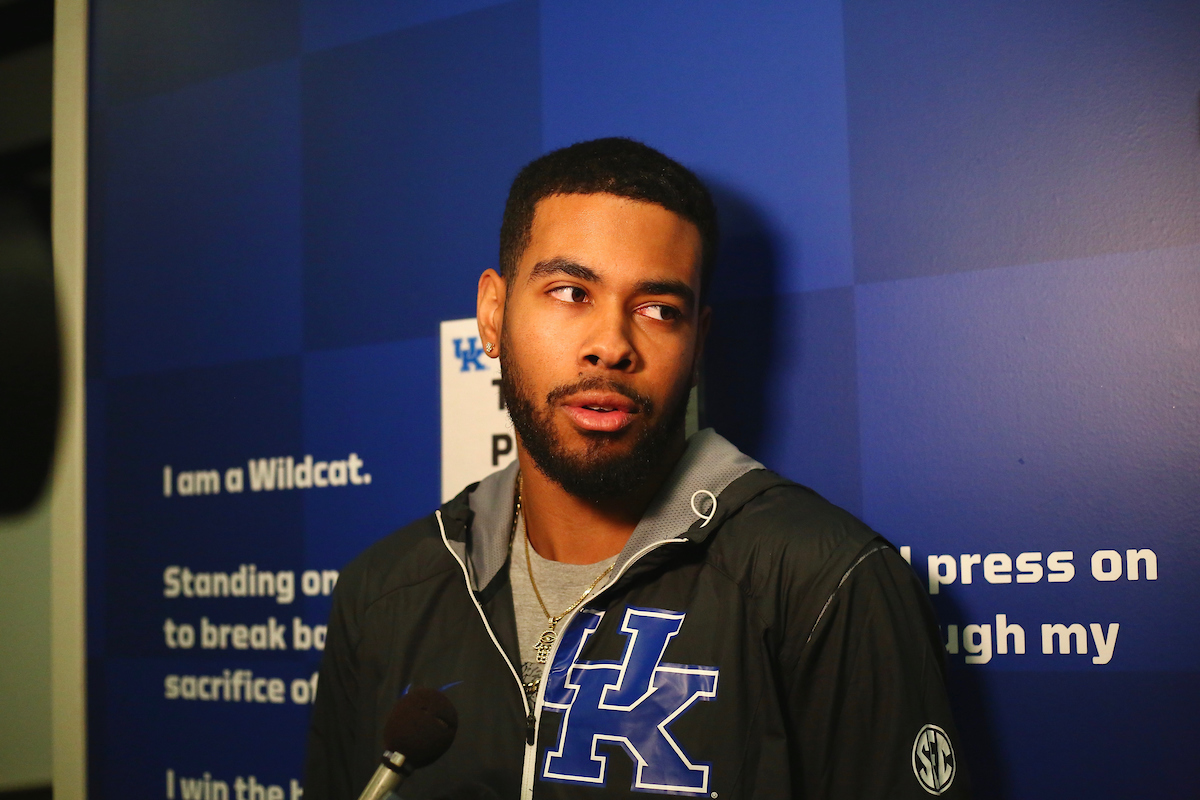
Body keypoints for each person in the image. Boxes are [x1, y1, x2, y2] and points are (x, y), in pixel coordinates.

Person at [305, 138, 969, 799]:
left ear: (697, 343)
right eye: (571, 292)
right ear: (493, 314)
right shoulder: (385, 591)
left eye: (659, 310)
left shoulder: (826, 583)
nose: (611, 346)